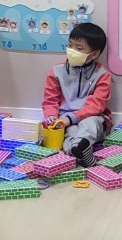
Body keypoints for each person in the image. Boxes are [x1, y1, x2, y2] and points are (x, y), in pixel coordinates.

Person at [42, 23, 112, 167]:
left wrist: (71, 118)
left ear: (94, 54)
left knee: (88, 125)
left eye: (79, 48)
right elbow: (50, 100)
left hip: (93, 117)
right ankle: (80, 152)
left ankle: (79, 147)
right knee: (71, 133)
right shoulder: (56, 71)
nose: (71, 51)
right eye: (70, 45)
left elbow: (96, 105)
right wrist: (51, 116)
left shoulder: (102, 74)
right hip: (65, 119)